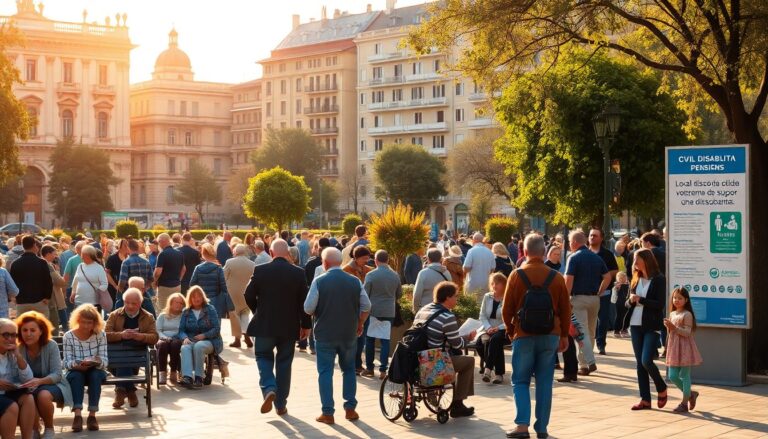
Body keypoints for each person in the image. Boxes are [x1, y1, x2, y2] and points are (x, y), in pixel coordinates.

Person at [502, 234, 571, 439]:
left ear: (524, 252)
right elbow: (566, 310)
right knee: (544, 382)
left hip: (523, 334)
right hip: (550, 335)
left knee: (521, 381)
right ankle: (542, 428)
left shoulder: (516, 275)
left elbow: (506, 309)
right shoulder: (556, 277)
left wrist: (511, 331)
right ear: (543, 252)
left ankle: (522, 426)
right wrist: (564, 335)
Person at [303, 247, 371, 425]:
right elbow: (367, 305)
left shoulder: (319, 281)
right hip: (349, 333)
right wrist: (360, 323)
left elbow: (308, 308)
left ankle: (328, 412)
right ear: (340, 262)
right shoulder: (355, 281)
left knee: (325, 372)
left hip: (325, 334)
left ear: (324, 263)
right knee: (348, 369)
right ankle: (350, 409)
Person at [244, 239, 311, 416]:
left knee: (262, 356)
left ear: (271, 253)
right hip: (289, 327)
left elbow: (248, 294)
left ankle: (269, 388)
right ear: (288, 253)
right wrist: (305, 325)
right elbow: (304, 302)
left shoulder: (260, 270)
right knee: (284, 363)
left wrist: (258, 310)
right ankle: (281, 404)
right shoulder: (298, 273)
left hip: (265, 324)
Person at [413, 281, 476, 417]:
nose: (457, 299)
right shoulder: (448, 317)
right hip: (436, 362)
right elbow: (457, 344)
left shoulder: (423, 309)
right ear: (447, 297)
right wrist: (468, 338)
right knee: (469, 361)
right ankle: (458, 404)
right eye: (455, 296)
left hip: (418, 357)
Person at [16, 311, 73, 439]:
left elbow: (57, 374)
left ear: (41, 331)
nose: (28, 334)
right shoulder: (18, 348)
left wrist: (39, 382)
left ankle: (49, 428)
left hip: (52, 383)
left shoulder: (50, 345)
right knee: (28, 395)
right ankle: (34, 428)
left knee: (42, 395)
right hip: (27, 386)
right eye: (24, 330)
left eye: (32, 330)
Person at [625, 248, 668, 411]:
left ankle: (661, 387)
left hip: (651, 325)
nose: (634, 262)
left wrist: (641, 300)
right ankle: (645, 399)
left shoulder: (658, 279)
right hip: (635, 325)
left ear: (646, 260)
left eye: (637, 259)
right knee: (639, 364)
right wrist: (630, 301)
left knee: (646, 361)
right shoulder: (636, 278)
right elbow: (627, 303)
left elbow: (659, 304)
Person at [564, 230, 609, 376]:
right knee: (590, 331)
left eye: (570, 242)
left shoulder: (573, 257)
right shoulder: (596, 257)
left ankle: (586, 363)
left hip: (578, 299)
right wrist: (599, 291)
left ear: (575, 243)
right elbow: (607, 277)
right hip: (594, 299)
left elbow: (568, 280)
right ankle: (587, 361)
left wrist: (564, 298)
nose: (570, 245)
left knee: (580, 332)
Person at [105, 288, 158, 409]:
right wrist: (121, 335)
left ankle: (120, 390)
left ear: (140, 303)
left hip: (137, 355)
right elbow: (105, 334)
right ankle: (130, 391)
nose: (129, 306)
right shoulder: (115, 315)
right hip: (116, 355)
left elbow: (154, 337)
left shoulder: (148, 316)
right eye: (127, 302)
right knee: (121, 358)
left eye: (133, 303)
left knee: (126, 359)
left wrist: (140, 336)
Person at [63, 304, 108, 432]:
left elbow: (105, 361)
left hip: (95, 370)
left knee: (95, 375)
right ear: (77, 321)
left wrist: (96, 361)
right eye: (83, 322)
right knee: (76, 376)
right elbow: (66, 362)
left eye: (90, 323)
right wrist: (76, 365)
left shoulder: (100, 335)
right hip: (76, 370)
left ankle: (92, 416)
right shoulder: (68, 336)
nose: (86, 326)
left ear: (95, 322)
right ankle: (77, 415)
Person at [361, 250, 401, 379]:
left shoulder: (371, 275)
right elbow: (399, 294)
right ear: (388, 260)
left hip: (373, 311)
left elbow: (365, 294)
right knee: (385, 340)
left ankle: (370, 368)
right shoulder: (395, 275)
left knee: (370, 340)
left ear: (376, 260)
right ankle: (383, 370)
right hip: (389, 311)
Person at [664, 287, 703, 413]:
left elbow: (687, 332)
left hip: (685, 347)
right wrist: (669, 328)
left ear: (686, 300)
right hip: (674, 347)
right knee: (672, 375)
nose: (676, 300)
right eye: (675, 297)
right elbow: (671, 333)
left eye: (680, 298)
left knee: (685, 375)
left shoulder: (687, 314)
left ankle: (684, 403)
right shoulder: (672, 313)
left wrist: (674, 328)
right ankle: (691, 394)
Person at [178, 286, 222, 388]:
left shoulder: (210, 309)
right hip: (192, 339)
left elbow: (216, 329)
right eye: (193, 297)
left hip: (210, 340)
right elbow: (181, 330)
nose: (196, 299)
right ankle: (187, 377)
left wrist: (204, 335)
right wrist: (185, 338)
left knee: (199, 346)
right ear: (190, 298)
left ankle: (199, 377)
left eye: (199, 296)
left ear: (203, 297)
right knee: (184, 347)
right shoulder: (186, 311)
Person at [0, 317, 35, 439]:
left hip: (6, 393)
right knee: (11, 406)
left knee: (28, 398)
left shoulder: (11, 353)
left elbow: (28, 379)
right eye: (5, 335)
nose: (10, 339)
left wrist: (18, 356)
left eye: (13, 335)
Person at [588, 228, 619, 356]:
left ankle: (601, 345)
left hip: (604, 292)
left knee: (603, 319)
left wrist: (604, 275)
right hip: (587, 292)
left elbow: (615, 270)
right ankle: (589, 344)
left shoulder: (607, 254)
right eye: (590, 235)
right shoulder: (584, 253)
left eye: (595, 236)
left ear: (601, 238)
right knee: (588, 320)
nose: (592, 238)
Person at [342, 246, 372, 374]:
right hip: (352, 309)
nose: (367, 260)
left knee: (362, 338)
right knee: (353, 338)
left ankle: (358, 362)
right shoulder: (346, 270)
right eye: (364, 258)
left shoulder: (369, 270)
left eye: (368, 258)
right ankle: (352, 363)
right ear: (356, 257)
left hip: (365, 309)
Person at [476, 273, 509, 384]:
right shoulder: (487, 296)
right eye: (493, 283)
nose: (494, 286)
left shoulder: (508, 297)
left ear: (504, 285)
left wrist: (498, 328)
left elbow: (510, 318)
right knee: (480, 343)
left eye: (498, 283)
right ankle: (496, 372)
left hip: (504, 328)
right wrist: (489, 327)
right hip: (488, 327)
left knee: (496, 340)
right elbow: (482, 315)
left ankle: (489, 370)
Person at [10, 235, 53, 318]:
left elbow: (12, 283)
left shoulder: (15, 263)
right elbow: (48, 281)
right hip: (39, 301)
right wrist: (47, 297)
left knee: (22, 327)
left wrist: (15, 298)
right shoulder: (42, 262)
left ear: (23, 246)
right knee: (42, 326)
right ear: (34, 245)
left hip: (22, 302)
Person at [223, 244, 256, 349]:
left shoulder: (229, 262)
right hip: (247, 293)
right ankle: (246, 334)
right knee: (245, 314)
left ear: (235, 252)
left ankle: (237, 340)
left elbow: (223, 276)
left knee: (235, 315)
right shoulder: (252, 264)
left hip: (232, 293)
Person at [190, 244, 231, 323]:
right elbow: (223, 286)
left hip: (201, 300)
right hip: (215, 299)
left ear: (203, 254)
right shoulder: (218, 268)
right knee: (215, 322)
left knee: (202, 322)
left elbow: (192, 284)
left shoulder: (198, 268)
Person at [156, 292, 185, 385]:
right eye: (176, 302)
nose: (179, 305)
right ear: (171, 303)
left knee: (175, 344)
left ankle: (173, 371)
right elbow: (158, 330)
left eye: (181, 303)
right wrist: (165, 337)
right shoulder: (163, 316)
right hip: (163, 338)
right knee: (162, 345)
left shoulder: (183, 316)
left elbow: (184, 330)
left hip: (177, 338)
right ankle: (162, 373)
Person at [153, 233, 185, 311]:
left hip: (164, 286)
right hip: (177, 285)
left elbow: (158, 272)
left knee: (163, 309)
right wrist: (179, 280)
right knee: (175, 308)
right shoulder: (180, 253)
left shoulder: (162, 254)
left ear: (162, 241)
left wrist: (153, 282)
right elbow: (184, 269)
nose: (158, 245)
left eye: (159, 242)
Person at [70, 246, 108, 310]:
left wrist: (97, 292)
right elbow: (75, 281)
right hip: (78, 301)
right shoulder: (80, 266)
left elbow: (104, 284)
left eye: (83, 255)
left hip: (93, 303)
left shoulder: (99, 268)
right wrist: (73, 293)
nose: (81, 257)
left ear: (89, 255)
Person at [463, 232, 496, 301]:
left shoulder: (471, 251)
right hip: (486, 283)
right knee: (484, 305)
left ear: (474, 240)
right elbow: (493, 269)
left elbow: (466, 268)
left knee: (472, 306)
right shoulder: (489, 252)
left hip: (473, 283)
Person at [104, 238, 129, 305]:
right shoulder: (112, 258)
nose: (127, 247)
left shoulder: (129, 258)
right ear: (119, 247)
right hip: (114, 288)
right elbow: (107, 273)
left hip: (127, 288)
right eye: (125, 245)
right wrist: (115, 286)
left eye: (127, 245)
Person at [612, 272, 630, 337]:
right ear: (618, 279)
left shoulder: (628, 285)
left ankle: (624, 329)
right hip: (619, 303)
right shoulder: (617, 286)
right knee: (619, 316)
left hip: (626, 303)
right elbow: (614, 294)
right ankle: (616, 330)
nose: (623, 279)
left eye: (624, 277)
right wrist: (616, 288)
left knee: (626, 316)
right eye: (621, 278)